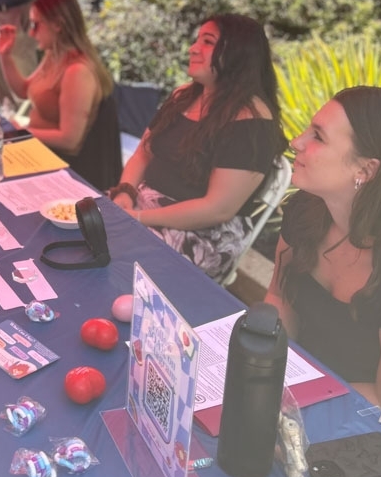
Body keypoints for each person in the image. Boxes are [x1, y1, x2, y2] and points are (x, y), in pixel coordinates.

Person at [265, 87, 381, 440]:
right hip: (301, 397)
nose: (295, 141)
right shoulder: (307, 211)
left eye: (317, 136)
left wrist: (284, 401)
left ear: (366, 169)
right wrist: (260, 366)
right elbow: (278, 299)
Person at [110, 14, 287, 279]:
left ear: (238, 53)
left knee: (112, 257)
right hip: (144, 209)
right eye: (197, 41)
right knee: (80, 224)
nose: (193, 48)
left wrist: (137, 219)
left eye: (207, 41)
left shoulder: (251, 121)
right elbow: (143, 154)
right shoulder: (184, 95)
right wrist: (124, 194)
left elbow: (217, 208)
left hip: (200, 235)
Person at [0, 0, 120, 192]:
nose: (31, 33)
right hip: (39, 154)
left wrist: (22, 130)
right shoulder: (53, 55)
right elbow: (25, 90)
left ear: (58, 25)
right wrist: (5, 56)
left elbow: (69, 140)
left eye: (36, 24)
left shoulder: (77, 71)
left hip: (60, 170)